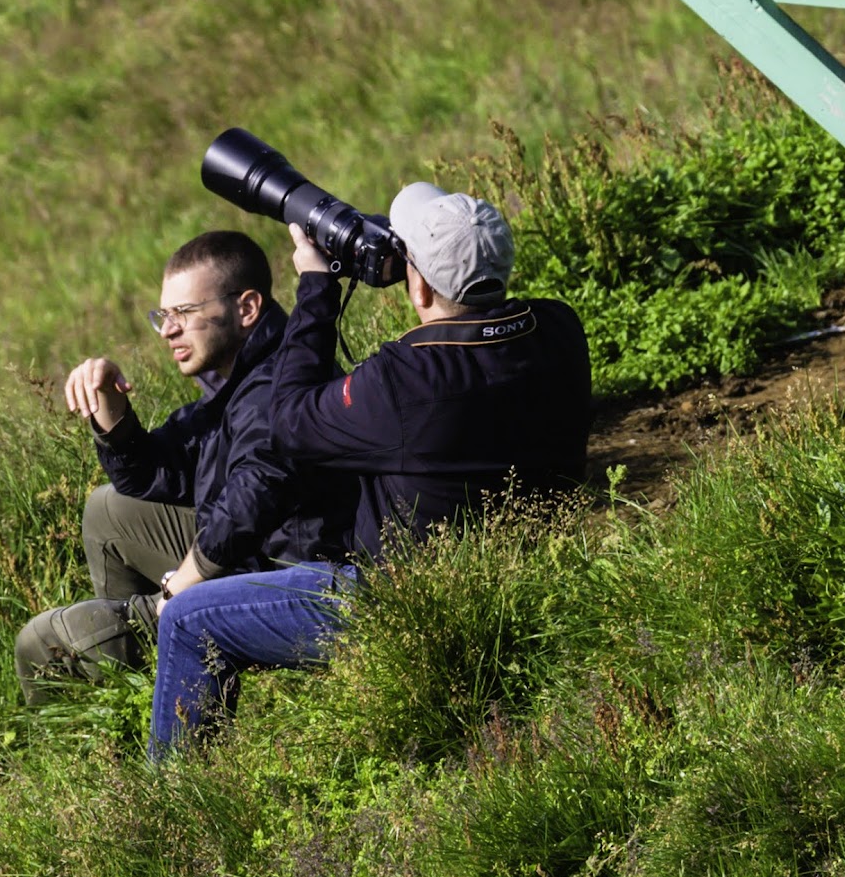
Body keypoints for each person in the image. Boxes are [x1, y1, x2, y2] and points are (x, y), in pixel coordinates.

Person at [144, 182, 588, 759]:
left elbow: (287, 425)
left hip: (399, 603)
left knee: (187, 618)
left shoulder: (404, 384)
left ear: (419, 284)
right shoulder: (558, 330)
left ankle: (176, 802)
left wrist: (317, 288)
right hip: (528, 581)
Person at [14, 229, 348, 705]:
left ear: (247, 309)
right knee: (110, 509)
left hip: (279, 577)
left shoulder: (273, 384)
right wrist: (108, 406)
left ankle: (133, 697)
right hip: (249, 551)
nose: (169, 330)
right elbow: (151, 475)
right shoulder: (238, 378)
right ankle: (149, 679)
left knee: (42, 640)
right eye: (164, 316)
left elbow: (252, 498)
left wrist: (179, 589)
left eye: (185, 314)